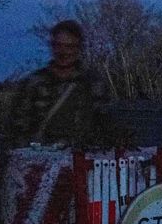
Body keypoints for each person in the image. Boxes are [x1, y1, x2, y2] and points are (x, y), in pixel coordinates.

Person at [7, 19, 117, 147]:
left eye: (69, 47)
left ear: (79, 48)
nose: (63, 52)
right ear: (52, 46)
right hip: (39, 158)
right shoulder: (33, 83)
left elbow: (106, 125)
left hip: (82, 157)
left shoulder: (94, 84)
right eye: (58, 46)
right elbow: (17, 128)